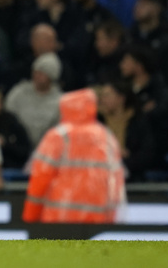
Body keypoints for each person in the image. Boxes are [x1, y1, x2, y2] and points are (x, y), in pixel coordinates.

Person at [23, 88, 125, 223]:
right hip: (97, 221)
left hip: (59, 219)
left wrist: (30, 217)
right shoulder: (106, 137)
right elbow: (116, 184)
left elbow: (40, 180)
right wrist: (112, 219)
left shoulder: (58, 136)